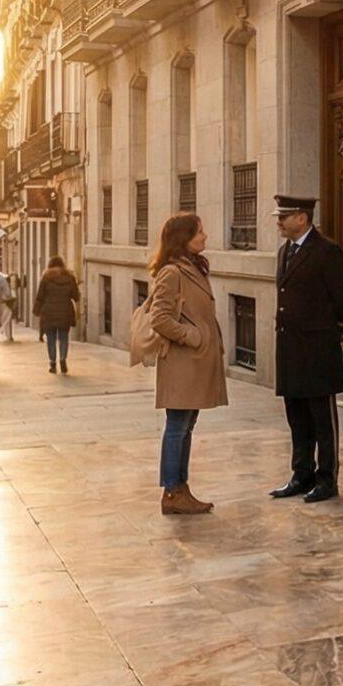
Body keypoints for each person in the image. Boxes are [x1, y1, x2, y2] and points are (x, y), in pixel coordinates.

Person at [137, 214, 225, 514]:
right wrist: (193, 336)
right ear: (183, 237)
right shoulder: (172, 272)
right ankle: (172, 492)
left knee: (186, 426)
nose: (205, 236)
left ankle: (180, 487)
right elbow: (160, 318)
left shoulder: (192, 267)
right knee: (177, 427)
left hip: (194, 364)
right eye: (199, 231)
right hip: (182, 363)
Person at [270, 195, 343, 503]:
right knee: (296, 416)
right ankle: (301, 474)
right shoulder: (284, 252)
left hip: (317, 348)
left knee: (322, 419)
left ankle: (327, 479)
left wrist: (339, 332)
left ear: (302, 218)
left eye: (284, 216)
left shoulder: (327, 252)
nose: (279, 221)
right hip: (290, 349)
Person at [33, 256, 80, 374]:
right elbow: (76, 296)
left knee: (51, 338)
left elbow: (40, 296)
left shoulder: (46, 278)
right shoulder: (70, 278)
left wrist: (36, 311)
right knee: (64, 337)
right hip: (65, 311)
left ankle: (52, 363)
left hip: (48, 312)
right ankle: (63, 359)